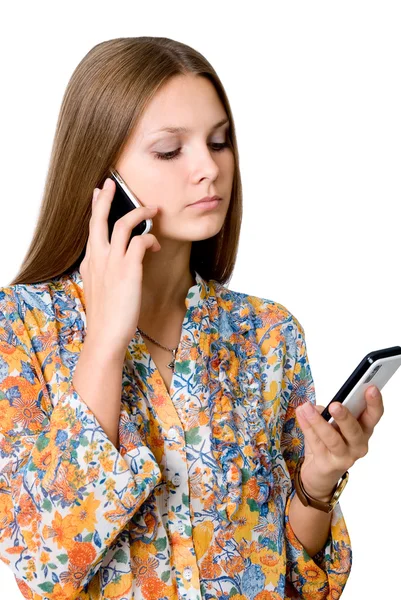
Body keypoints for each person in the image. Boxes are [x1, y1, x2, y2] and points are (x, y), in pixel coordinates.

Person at [0, 36, 383, 600]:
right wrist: (104, 342)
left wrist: (319, 484)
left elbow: (304, 587)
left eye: (220, 141)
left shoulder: (268, 334)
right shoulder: (20, 330)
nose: (209, 168)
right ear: (104, 177)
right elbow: (47, 565)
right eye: (169, 150)